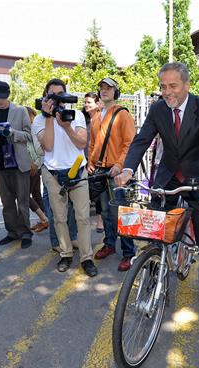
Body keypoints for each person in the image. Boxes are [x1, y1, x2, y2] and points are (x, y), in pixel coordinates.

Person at [115, 62, 199, 308]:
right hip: (168, 177)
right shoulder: (158, 109)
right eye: (163, 86)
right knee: (157, 231)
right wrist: (128, 169)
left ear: (187, 85)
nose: (167, 92)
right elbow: (141, 140)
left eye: (173, 85)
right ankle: (154, 276)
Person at [33, 79, 97, 278]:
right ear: (45, 96)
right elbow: (49, 146)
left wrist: (67, 126)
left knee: (83, 217)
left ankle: (86, 258)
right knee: (59, 218)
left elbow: (81, 142)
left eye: (60, 94)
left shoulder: (76, 115)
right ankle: (66, 253)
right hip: (52, 173)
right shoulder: (38, 120)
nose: (57, 99)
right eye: (52, 95)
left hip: (77, 170)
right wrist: (50, 117)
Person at [88, 78, 136, 271]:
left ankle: (128, 252)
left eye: (109, 88)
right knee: (106, 211)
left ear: (116, 92)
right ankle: (109, 244)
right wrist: (90, 162)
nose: (104, 90)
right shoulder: (96, 116)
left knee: (122, 213)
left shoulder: (122, 114)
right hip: (100, 170)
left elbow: (130, 143)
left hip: (116, 172)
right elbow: (92, 144)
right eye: (102, 88)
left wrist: (120, 165)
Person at [0, 81, 34, 249]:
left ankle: (26, 232)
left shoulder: (20, 111)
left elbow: (29, 135)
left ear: (8, 94)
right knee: (7, 201)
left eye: (3, 97)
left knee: (23, 200)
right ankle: (12, 232)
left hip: (18, 161)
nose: (1, 101)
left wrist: (12, 133)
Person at [25, 106, 49, 233]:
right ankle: (44, 220)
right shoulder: (27, 128)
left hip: (34, 166)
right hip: (34, 165)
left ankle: (44, 219)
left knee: (25, 195)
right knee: (36, 194)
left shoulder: (34, 128)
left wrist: (36, 163)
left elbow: (39, 149)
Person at [82, 92, 104, 233]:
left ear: (97, 104)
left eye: (89, 102)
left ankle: (100, 220)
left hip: (96, 162)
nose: (86, 105)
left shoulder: (101, 119)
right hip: (81, 161)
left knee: (98, 194)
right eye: (85, 102)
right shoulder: (81, 120)